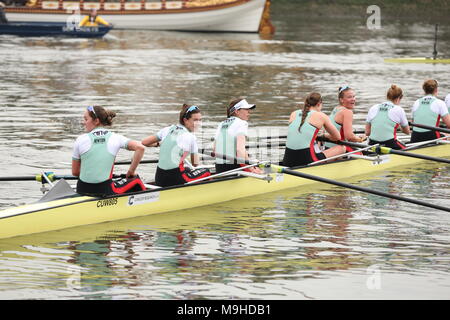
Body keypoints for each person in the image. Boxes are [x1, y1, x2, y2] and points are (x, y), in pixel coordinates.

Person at [72, 105, 146, 196]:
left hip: (82, 189)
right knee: (136, 180)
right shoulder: (115, 138)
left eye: (86, 119)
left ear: (96, 121)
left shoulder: (80, 140)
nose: (84, 122)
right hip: (104, 191)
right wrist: (131, 171)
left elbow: (75, 172)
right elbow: (140, 148)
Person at [142, 104, 210, 187]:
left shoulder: (167, 129)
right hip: (176, 180)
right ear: (185, 120)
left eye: (200, 120)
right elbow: (195, 164)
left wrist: (159, 144)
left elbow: (145, 142)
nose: (198, 123)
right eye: (195, 120)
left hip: (159, 178)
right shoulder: (191, 137)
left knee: (187, 169)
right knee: (206, 171)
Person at [282, 92, 346, 167]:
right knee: (342, 148)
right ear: (319, 104)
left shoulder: (294, 114)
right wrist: (324, 135)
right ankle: (332, 170)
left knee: (315, 146)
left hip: (287, 160)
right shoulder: (321, 115)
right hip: (307, 160)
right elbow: (337, 137)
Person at [214, 98, 262, 174]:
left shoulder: (221, 124)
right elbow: (240, 151)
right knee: (263, 169)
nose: (249, 112)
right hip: (233, 168)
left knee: (253, 160)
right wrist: (252, 169)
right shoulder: (241, 123)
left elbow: (214, 150)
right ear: (237, 111)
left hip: (219, 168)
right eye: (246, 109)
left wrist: (249, 161)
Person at [365, 85, 410, 149]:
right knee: (407, 148)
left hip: (372, 144)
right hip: (390, 144)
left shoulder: (373, 107)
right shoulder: (399, 109)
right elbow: (407, 132)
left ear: (387, 96)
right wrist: (398, 127)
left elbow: (367, 133)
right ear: (399, 98)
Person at [324, 86, 366, 151]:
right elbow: (349, 137)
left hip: (327, 147)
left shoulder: (336, 108)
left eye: (354, 96)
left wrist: (356, 137)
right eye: (349, 97)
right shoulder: (347, 112)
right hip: (339, 150)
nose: (353, 99)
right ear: (341, 100)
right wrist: (361, 139)